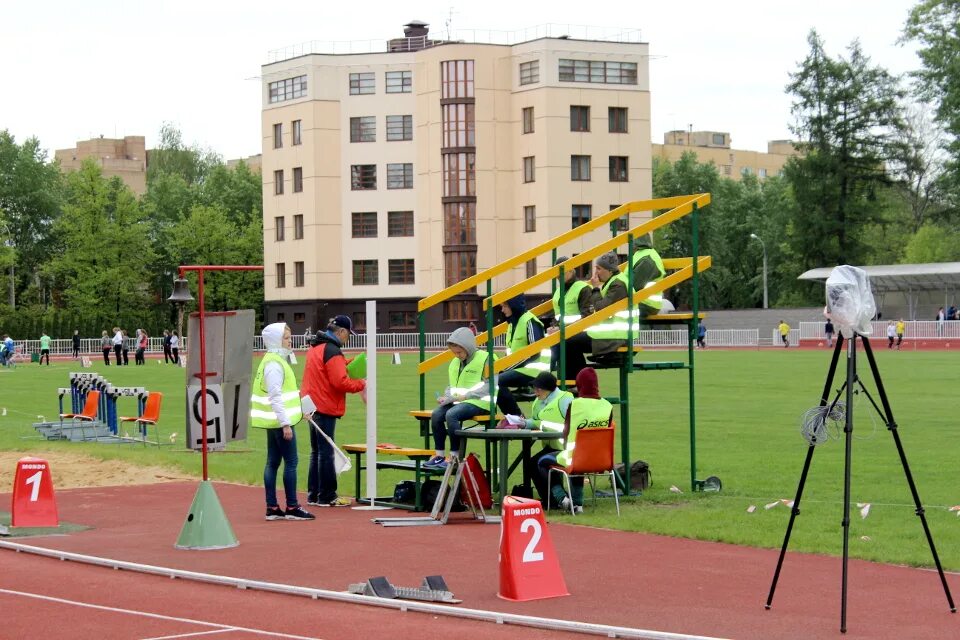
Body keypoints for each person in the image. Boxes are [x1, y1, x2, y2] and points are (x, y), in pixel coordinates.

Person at [300, 315, 366, 507]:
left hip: (311, 405)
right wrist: (361, 383)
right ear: (342, 331)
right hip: (325, 405)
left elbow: (329, 370)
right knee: (326, 452)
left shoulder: (316, 347)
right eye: (348, 335)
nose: (347, 339)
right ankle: (327, 495)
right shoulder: (332, 350)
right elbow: (340, 381)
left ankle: (314, 494)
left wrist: (347, 363)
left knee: (317, 452)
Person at [251, 322, 314, 521]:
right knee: (291, 462)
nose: (290, 341)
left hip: (275, 420)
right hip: (280, 422)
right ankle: (292, 506)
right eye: (286, 338)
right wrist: (286, 423)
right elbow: (275, 395)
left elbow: (284, 394)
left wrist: (300, 411)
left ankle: (272, 507)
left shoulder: (273, 360)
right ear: (276, 341)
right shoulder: (274, 364)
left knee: (273, 462)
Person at [533, 368, 613, 513]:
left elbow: (566, 432)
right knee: (581, 459)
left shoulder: (575, 405)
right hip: (601, 459)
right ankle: (578, 505)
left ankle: (562, 499)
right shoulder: (608, 406)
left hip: (575, 457)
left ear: (580, 385)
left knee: (541, 462)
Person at [424, 327, 497, 470]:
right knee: (437, 414)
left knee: (452, 415)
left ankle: (455, 457)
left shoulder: (487, 358)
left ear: (468, 347)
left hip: (482, 403)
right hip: (460, 402)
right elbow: (452, 385)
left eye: (459, 352)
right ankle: (439, 456)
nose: (457, 355)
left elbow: (491, 386)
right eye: (454, 352)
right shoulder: (454, 362)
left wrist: (466, 396)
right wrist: (446, 396)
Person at [507, 371, 574, 508]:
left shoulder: (565, 399)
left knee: (539, 463)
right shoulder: (538, 402)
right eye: (534, 388)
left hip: (567, 447)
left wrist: (536, 424)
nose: (535, 391)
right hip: (551, 446)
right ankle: (550, 500)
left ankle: (558, 499)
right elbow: (537, 420)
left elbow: (570, 423)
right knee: (532, 464)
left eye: (539, 388)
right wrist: (524, 423)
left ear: (549, 389)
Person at [495, 295, 548, 419]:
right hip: (520, 369)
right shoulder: (512, 324)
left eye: (505, 306)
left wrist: (505, 368)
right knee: (492, 381)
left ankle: (516, 417)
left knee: (494, 382)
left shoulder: (530, 321)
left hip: (534, 371)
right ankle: (515, 418)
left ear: (514, 305)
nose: (502, 310)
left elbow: (535, 352)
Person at [547, 255, 592, 372]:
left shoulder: (583, 288)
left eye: (561, 272)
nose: (558, 276)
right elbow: (558, 316)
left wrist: (561, 329)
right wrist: (553, 327)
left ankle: (546, 374)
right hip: (566, 333)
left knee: (565, 341)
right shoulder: (558, 292)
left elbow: (587, 317)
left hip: (583, 333)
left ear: (571, 270)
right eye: (556, 273)